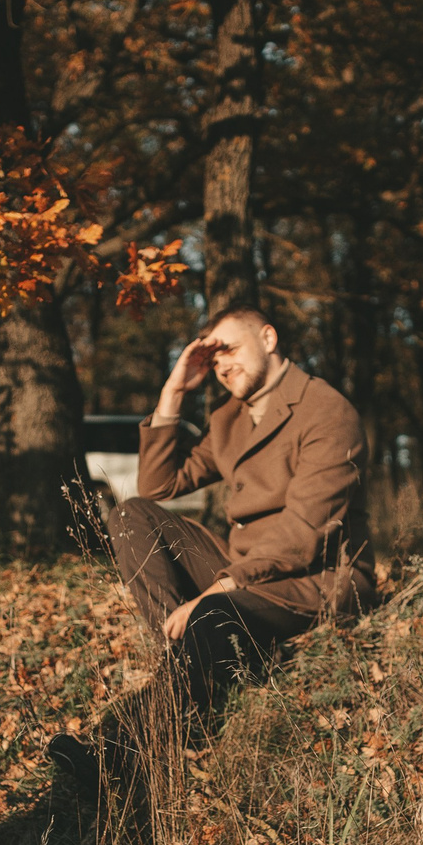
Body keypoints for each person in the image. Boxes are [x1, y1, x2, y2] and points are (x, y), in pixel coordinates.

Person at [54, 306, 377, 787]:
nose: (222, 366)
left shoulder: (327, 411)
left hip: (316, 577)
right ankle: (191, 658)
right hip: (244, 566)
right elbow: (158, 487)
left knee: (211, 614)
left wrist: (215, 592)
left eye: (229, 349)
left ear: (268, 338)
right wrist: (173, 393)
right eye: (213, 357)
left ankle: (115, 753)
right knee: (128, 516)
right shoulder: (229, 418)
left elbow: (303, 535)